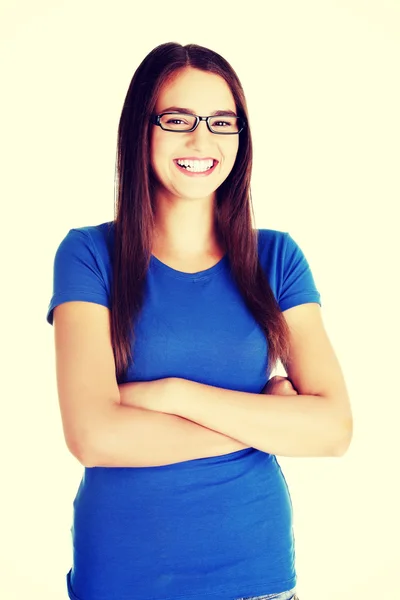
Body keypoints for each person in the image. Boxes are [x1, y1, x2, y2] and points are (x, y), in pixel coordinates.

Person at [46, 42, 352, 600]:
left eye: (221, 122)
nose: (201, 140)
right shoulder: (89, 255)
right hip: (121, 577)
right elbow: (92, 436)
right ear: (141, 130)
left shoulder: (277, 259)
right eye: (178, 119)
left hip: (252, 576)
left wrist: (167, 392)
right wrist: (261, 423)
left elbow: (333, 431)